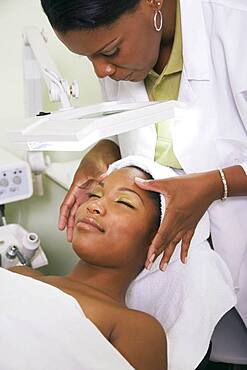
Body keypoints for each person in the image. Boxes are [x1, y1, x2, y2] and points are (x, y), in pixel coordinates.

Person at [40, 0, 247, 327]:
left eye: (109, 51)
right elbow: (141, 134)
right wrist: (105, 148)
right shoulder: (30, 284)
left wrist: (216, 184)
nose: (101, 71)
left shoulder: (237, 25)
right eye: (88, 58)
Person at [9, 165, 167, 370]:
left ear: (157, 239)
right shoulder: (20, 275)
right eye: (95, 194)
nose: (95, 205)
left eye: (124, 202)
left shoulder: (135, 328)